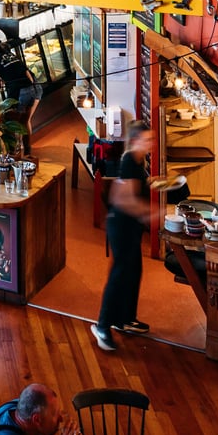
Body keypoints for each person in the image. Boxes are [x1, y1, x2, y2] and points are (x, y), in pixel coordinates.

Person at [91, 120, 154, 352]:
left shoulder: (137, 160)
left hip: (130, 227)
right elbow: (125, 200)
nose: (151, 144)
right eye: (148, 140)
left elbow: (134, 187)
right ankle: (102, 326)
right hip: (122, 227)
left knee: (134, 271)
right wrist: (154, 213)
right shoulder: (129, 160)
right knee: (118, 277)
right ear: (136, 140)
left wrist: (151, 183)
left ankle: (126, 318)